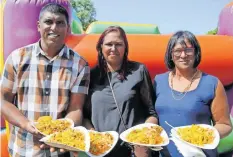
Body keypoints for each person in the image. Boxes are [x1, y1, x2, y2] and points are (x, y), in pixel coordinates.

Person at [0, 3, 90, 157]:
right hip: (22, 150)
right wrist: (26, 124)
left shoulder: (80, 65)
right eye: (48, 22)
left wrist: (61, 132)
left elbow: (76, 108)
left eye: (60, 23)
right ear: (38, 26)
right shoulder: (17, 58)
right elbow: (3, 100)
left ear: (68, 28)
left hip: (59, 151)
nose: (54, 28)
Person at [82, 26, 159, 157]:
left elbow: (152, 113)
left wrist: (143, 139)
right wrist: (93, 135)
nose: (113, 48)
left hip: (133, 151)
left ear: (125, 47)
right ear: (101, 47)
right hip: (101, 151)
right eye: (109, 44)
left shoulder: (138, 70)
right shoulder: (91, 75)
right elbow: (84, 116)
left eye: (118, 44)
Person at [154, 30, 232, 157]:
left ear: (196, 52)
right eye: (178, 50)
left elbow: (225, 125)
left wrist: (203, 135)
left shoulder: (212, 83)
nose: (183, 55)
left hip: (200, 154)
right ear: (171, 54)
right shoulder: (158, 81)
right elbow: (152, 115)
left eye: (189, 50)